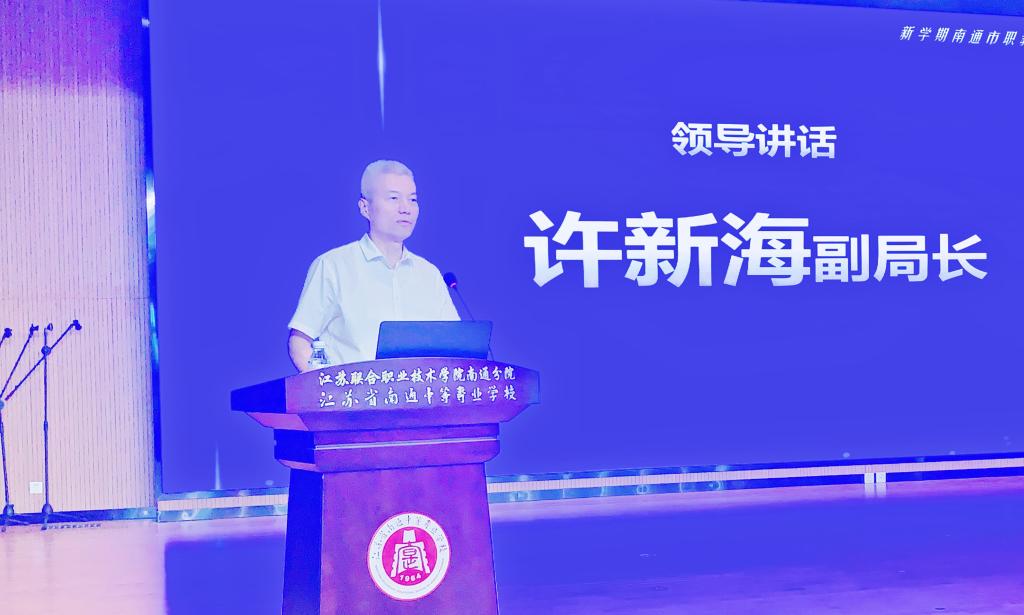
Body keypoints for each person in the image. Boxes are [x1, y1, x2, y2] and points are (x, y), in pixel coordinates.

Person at [287, 160, 459, 371]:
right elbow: (300, 342)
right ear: (365, 208)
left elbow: (456, 348)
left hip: (420, 391)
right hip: (354, 390)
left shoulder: (429, 275)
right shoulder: (333, 266)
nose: (406, 208)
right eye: (394, 198)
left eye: (412, 199)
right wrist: (328, 388)